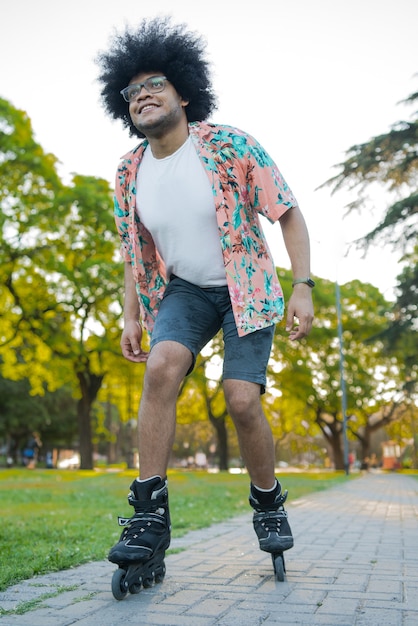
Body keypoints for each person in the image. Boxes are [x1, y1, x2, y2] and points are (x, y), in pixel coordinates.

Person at [96, 17, 314, 574]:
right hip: (186, 291)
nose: (142, 94)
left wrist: (302, 287)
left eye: (155, 84)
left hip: (246, 287)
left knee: (241, 400)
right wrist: (131, 315)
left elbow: (288, 214)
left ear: (184, 93)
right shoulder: (128, 173)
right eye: (131, 90)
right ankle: (148, 515)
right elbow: (134, 251)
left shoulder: (229, 145)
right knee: (162, 367)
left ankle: (267, 501)